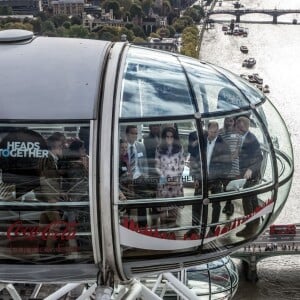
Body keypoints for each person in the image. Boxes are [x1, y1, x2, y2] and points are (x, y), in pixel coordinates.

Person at [235, 116, 263, 237]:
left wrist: (250, 169)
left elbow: (259, 158)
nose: (237, 128)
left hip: (251, 175)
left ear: (245, 127)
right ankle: (256, 220)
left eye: (239, 126)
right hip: (245, 174)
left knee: (247, 199)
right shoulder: (241, 137)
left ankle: (249, 227)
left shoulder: (251, 139)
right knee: (253, 198)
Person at [155, 126, 185, 227]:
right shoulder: (159, 148)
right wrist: (165, 178)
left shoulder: (180, 148)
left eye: (171, 136)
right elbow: (157, 166)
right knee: (163, 208)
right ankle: (163, 230)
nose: (169, 138)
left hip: (176, 182)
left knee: (174, 207)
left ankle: (172, 229)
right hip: (164, 182)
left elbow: (182, 164)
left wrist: (176, 178)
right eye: (167, 136)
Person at [125, 125, 148, 227]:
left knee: (142, 203)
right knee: (127, 203)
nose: (134, 135)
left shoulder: (140, 146)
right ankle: (128, 225)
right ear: (127, 134)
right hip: (126, 178)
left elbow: (145, 162)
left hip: (139, 176)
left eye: (136, 133)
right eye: (132, 133)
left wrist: (145, 176)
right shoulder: (121, 146)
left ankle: (143, 226)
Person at [219, 117, 242, 216]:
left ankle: (229, 205)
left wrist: (231, 158)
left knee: (230, 185)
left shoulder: (237, 134)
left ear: (234, 122)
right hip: (223, 163)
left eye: (231, 120)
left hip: (233, 163)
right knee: (225, 185)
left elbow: (238, 149)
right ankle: (228, 205)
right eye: (227, 120)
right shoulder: (220, 132)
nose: (228, 122)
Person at [144, 124, 161, 225]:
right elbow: (150, 154)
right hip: (152, 171)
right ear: (150, 128)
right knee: (154, 194)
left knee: (160, 193)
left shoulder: (162, 137)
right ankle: (154, 218)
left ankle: (158, 214)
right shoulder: (147, 139)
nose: (156, 128)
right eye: (154, 126)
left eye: (158, 126)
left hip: (162, 171)